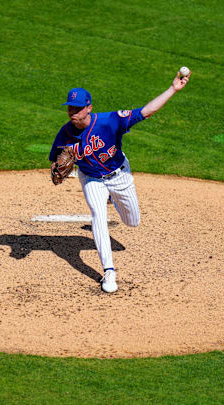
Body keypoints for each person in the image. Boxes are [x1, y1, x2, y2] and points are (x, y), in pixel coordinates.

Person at [49, 70, 190, 293]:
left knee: (132, 221)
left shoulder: (109, 121)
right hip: (91, 178)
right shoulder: (65, 133)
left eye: (76, 108)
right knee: (97, 215)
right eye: (69, 108)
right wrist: (56, 172)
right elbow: (54, 162)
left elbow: (146, 111)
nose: (72, 113)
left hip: (120, 175)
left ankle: (114, 199)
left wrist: (173, 89)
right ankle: (109, 271)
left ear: (89, 108)